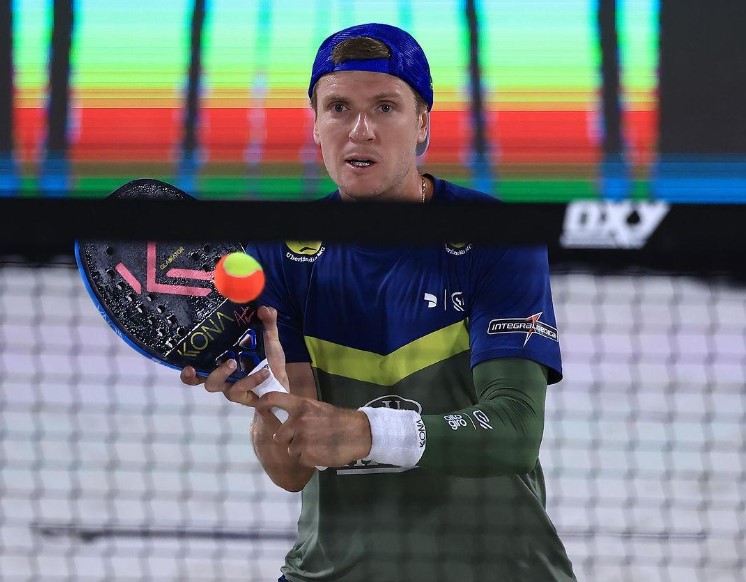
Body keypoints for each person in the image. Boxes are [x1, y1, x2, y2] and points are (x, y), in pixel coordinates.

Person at [181, 23, 576, 582]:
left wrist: (368, 433)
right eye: (338, 107)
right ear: (315, 126)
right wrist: (264, 398)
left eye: (385, 107)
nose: (359, 130)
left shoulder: (493, 236)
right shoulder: (280, 254)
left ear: (421, 126)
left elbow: (513, 430)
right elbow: (292, 469)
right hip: (334, 571)